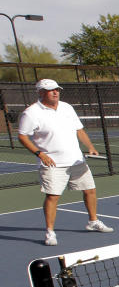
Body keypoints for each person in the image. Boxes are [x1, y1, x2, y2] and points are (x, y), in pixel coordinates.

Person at [17, 79, 114, 246]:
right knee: (53, 196)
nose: (55, 92)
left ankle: (93, 221)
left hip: (76, 160)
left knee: (90, 190)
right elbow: (22, 136)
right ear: (40, 93)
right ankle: (50, 232)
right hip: (52, 163)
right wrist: (40, 154)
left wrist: (90, 147)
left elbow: (79, 130)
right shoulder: (31, 113)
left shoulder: (67, 107)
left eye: (57, 89)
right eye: (50, 90)